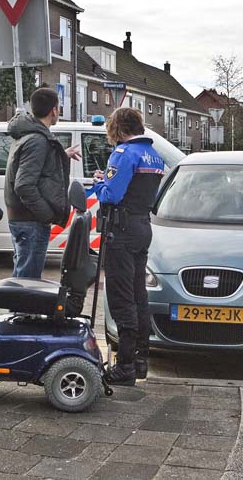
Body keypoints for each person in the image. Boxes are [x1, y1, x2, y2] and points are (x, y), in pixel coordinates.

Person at [92, 108, 164, 386]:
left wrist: (100, 183)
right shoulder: (153, 155)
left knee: (121, 297)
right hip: (142, 227)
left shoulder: (123, 153)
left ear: (118, 129)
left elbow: (111, 194)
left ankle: (124, 366)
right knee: (138, 295)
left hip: (120, 231)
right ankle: (140, 360)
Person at [4, 88, 81, 279]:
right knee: (27, 279)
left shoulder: (29, 135)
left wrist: (62, 155)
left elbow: (35, 168)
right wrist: (46, 214)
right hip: (31, 221)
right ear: (54, 110)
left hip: (24, 218)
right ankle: (22, 309)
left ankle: (21, 309)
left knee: (23, 272)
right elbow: (24, 185)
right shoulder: (38, 140)